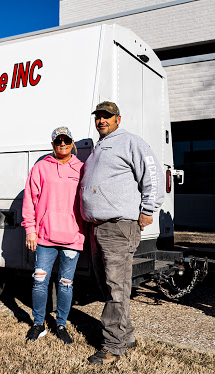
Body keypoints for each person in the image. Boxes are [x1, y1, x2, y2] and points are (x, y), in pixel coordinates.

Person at [80, 101, 165, 365]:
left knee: (116, 287)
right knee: (108, 285)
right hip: (99, 227)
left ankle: (112, 346)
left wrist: (148, 209)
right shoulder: (99, 147)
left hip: (119, 226)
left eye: (107, 116)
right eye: (99, 117)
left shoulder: (130, 141)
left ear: (118, 118)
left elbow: (153, 175)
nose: (102, 120)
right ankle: (125, 335)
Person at [22, 127, 85, 344]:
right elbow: (30, 199)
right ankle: (38, 324)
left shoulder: (82, 168)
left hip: (72, 237)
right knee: (40, 282)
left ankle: (61, 325)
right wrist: (30, 229)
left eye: (66, 140)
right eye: (58, 140)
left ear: (72, 142)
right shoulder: (41, 168)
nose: (62, 144)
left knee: (66, 283)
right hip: (45, 237)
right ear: (52, 144)